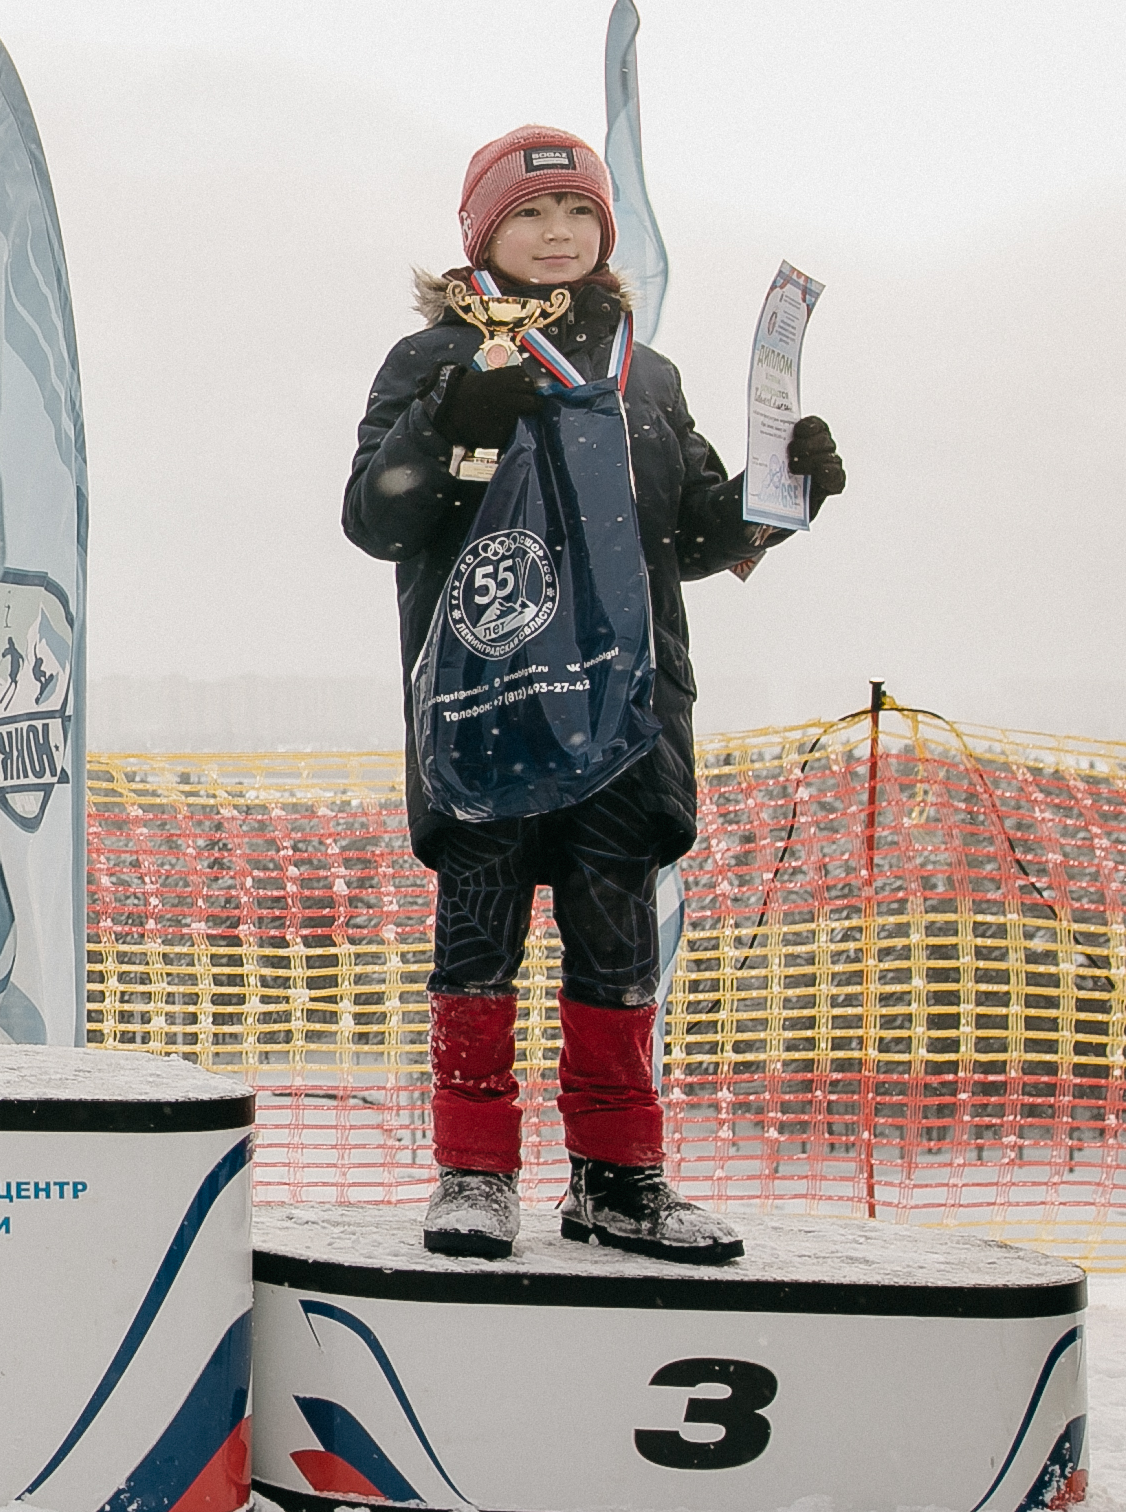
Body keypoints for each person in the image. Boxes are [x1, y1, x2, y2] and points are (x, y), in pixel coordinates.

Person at [344, 125, 846, 1265]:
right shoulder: (431, 360)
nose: (556, 234)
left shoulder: (646, 373)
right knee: (478, 944)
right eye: (528, 215)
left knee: (615, 948)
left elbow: (700, 534)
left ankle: (621, 1181)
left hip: (626, 706)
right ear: (482, 235)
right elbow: (375, 516)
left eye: (577, 214)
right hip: (486, 700)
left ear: (604, 236)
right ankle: (472, 1174)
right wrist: (454, 417)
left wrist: (787, 489)